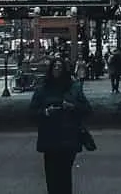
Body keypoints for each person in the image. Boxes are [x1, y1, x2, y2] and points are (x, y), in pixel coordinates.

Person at [30, 57, 91, 194]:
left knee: (64, 175)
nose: (57, 69)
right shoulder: (43, 89)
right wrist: (45, 112)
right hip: (49, 137)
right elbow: (32, 112)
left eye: (60, 67)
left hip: (68, 137)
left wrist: (72, 107)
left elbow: (87, 109)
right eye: (54, 66)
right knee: (51, 176)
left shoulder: (73, 88)